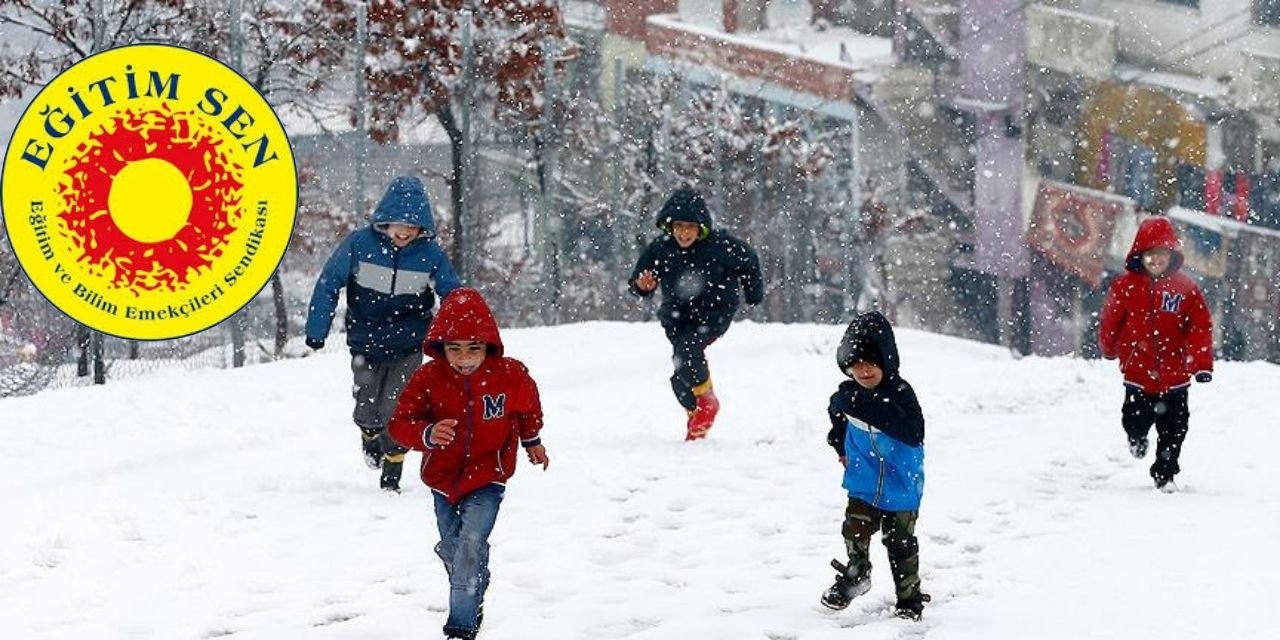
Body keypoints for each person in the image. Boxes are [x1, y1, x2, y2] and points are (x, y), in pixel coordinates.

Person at [387, 288, 549, 640]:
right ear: (441, 347)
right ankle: (474, 585)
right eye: (454, 349)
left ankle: (461, 628)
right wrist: (427, 433)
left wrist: (531, 440)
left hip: (489, 475)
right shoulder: (428, 379)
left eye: (473, 348)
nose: (463, 359)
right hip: (442, 478)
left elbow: (527, 407)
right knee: (453, 548)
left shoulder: (509, 374)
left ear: (488, 345)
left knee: (471, 544)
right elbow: (400, 423)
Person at [306, 175, 461, 492]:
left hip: (408, 345)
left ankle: (394, 465)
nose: (405, 233)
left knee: (398, 407)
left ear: (423, 228)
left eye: (413, 227)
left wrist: (458, 335)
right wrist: (316, 329)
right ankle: (369, 434)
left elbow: (453, 294)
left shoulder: (429, 255)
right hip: (365, 341)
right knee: (367, 406)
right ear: (385, 221)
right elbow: (329, 283)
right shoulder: (360, 245)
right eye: (399, 225)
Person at [628, 187, 764, 440]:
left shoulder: (719, 245)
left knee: (689, 350)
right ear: (669, 226)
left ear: (701, 227)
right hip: (677, 316)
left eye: (690, 227)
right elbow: (639, 279)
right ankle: (696, 412)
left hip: (714, 312)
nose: (684, 233)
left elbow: (749, 262)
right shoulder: (661, 248)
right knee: (680, 373)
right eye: (678, 226)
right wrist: (641, 286)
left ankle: (707, 402)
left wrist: (753, 293)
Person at [821, 311, 928, 621]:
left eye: (870, 363)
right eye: (855, 365)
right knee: (854, 529)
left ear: (886, 361)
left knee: (900, 543)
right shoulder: (846, 395)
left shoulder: (900, 394)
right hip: (864, 480)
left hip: (901, 484)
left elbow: (913, 432)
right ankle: (857, 575)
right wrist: (840, 445)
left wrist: (869, 406)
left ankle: (909, 599)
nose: (863, 371)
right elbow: (837, 416)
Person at [1098, 216, 1213, 493]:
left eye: (1161, 254)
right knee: (1134, 418)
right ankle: (1136, 437)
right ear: (1140, 256)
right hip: (1138, 372)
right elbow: (1111, 320)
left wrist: (1201, 364)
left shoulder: (1186, 289)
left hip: (1175, 376)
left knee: (1174, 429)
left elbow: (1199, 327)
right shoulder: (1124, 287)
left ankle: (1165, 474)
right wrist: (1109, 346)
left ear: (1171, 255)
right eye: (1150, 254)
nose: (1156, 260)